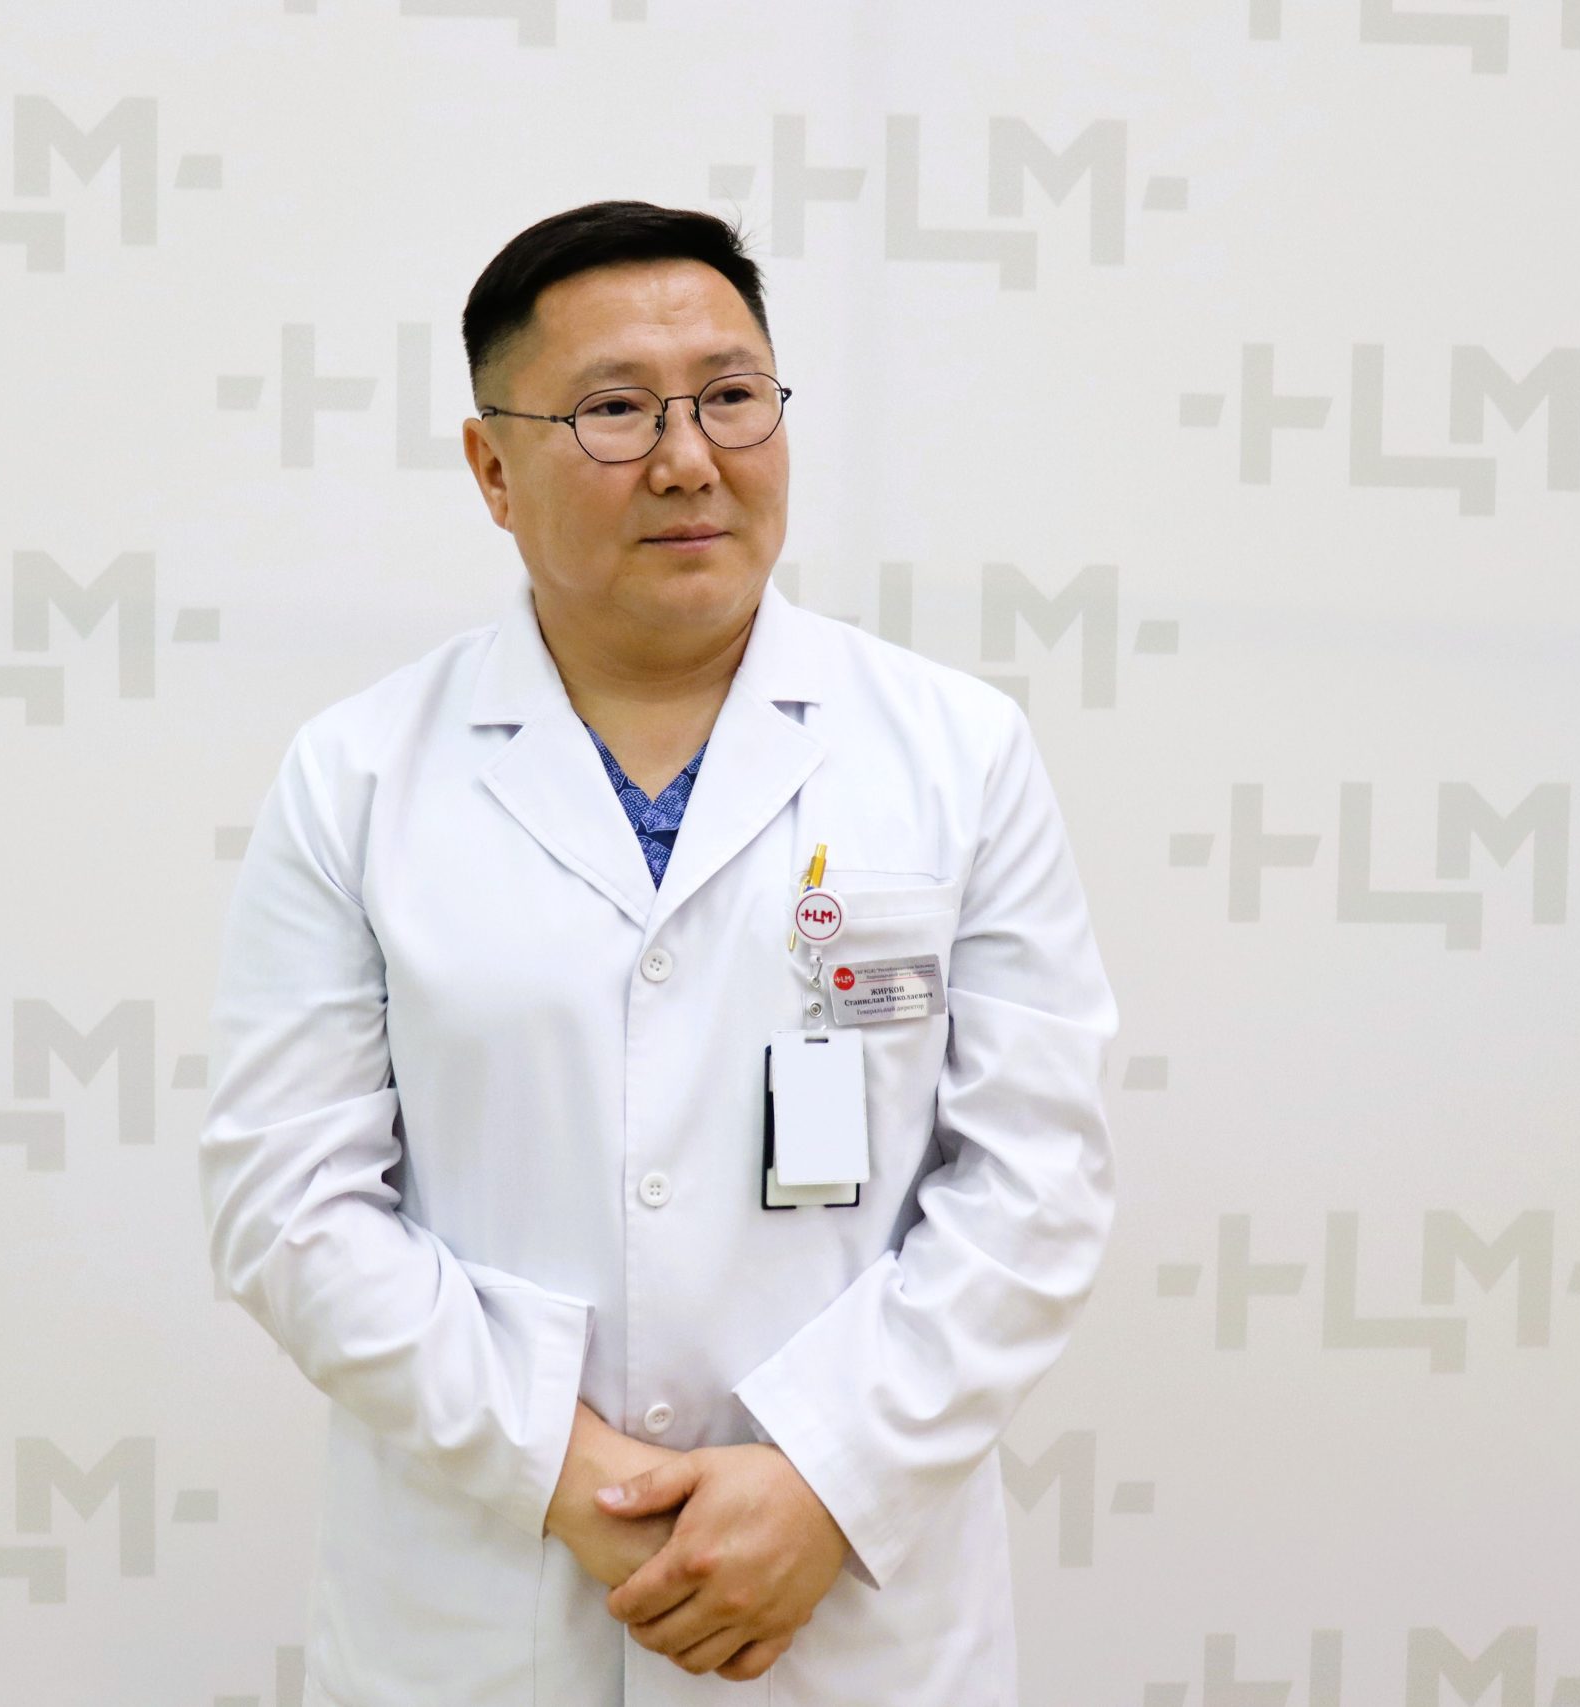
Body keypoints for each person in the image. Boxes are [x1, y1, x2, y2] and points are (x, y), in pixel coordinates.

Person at [198, 198, 1120, 1706]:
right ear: (493, 470)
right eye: (615, 411)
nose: (690, 458)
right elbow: (288, 1205)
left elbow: (1036, 1181)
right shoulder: (357, 778)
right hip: (491, 1613)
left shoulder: (959, 753)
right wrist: (570, 1476)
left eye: (732, 396)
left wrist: (825, 1477)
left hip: (845, 1618)